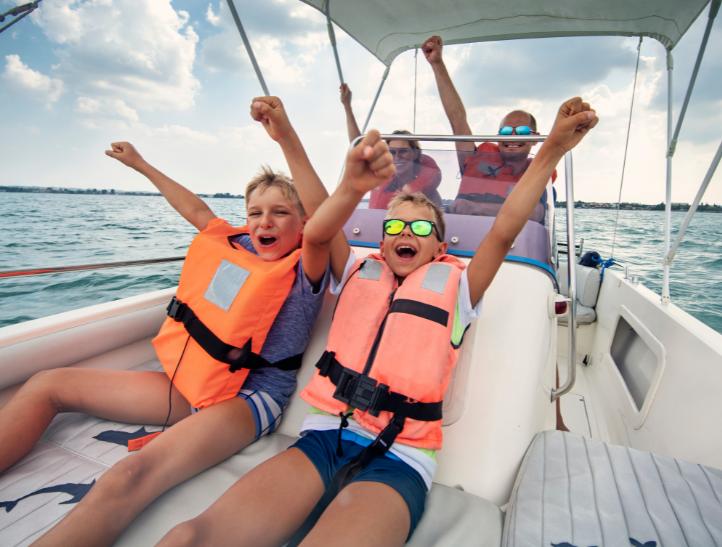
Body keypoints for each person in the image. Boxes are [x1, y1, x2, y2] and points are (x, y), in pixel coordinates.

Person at [157, 96, 597, 547]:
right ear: (381, 247)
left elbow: (505, 227)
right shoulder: (353, 272)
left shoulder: (461, 288)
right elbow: (320, 218)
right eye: (395, 228)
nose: (406, 233)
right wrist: (286, 135)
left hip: (402, 458)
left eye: (422, 228)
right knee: (194, 537)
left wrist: (552, 151)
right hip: (323, 439)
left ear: (440, 250)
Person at [0, 98, 334, 547]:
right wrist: (140, 164)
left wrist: (285, 136)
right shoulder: (238, 248)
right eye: (255, 212)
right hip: (194, 383)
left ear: (303, 221)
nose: (264, 222)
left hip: (250, 398)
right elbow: (195, 210)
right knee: (46, 384)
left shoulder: (307, 266)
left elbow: (326, 223)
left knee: (127, 476)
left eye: (280, 212)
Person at [421, 35, 552, 221]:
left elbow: (536, 213)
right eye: (506, 132)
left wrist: (478, 207)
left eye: (521, 131)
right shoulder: (474, 159)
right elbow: (457, 120)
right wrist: (437, 63)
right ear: (498, 137)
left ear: (535, 138)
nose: (512, 137)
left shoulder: (537, 175)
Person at [340, 83, 442, 208]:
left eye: (403, 151)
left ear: (415, 154)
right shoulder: (379, 178)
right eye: (392, 152)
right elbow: (358, 147)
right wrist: (347, 106)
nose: (397, 157)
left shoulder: (429, 193)